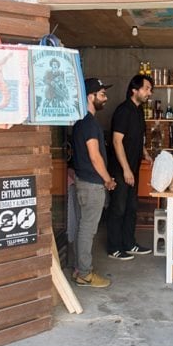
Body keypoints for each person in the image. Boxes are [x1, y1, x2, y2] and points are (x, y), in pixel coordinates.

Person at [71, 78, 116, 288]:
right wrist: (107, 180)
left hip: (83, 182)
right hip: (91, 184)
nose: (105, 98)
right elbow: (95, 156)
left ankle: (80, 269)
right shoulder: (89, 123)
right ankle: (85, 274)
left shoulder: (81, 121)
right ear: (91, 97)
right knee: (87, 230)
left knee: (82, 229)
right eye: (102, 94)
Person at [107, 74, 154, 260]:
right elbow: (117, 141)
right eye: (147, 88)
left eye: (150, 89)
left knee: (131, 207)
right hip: (120, 169)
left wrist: (144, 152)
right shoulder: (123, 111)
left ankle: (129, 244)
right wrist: (126, 169)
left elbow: (136, 137)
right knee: (118, 207)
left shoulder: (138, 111)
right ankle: (114, 248)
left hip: (132, 167)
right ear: (134, 90)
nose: (149, 93)